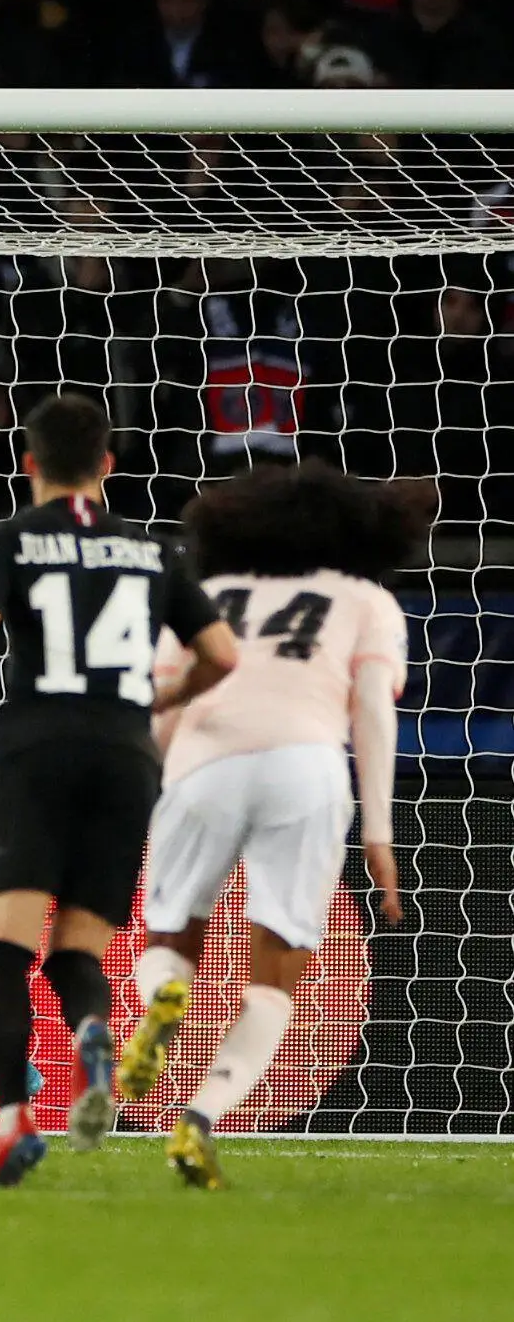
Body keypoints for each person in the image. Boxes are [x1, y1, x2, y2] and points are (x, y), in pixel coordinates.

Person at [0, 393, 240, 1187]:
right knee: (78, 952)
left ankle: (13, 1122)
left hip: (39, 752)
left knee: (5, 949)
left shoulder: (13, 538)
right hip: (127, 760)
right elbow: (224, 654)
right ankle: (94, 1030)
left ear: (28, 463)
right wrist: (160, 701)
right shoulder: (152, 550)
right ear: (107, 467)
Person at [119, 462, 418, 1189]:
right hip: (306, 768)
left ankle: (165, 996)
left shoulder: (211, 592)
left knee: (168, 937)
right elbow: (373, 712)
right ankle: (198, 1119)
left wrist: (142, 794)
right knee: (276, 975)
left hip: (204, 763)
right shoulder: (365, 599)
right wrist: (379, 832)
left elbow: (163, 702)